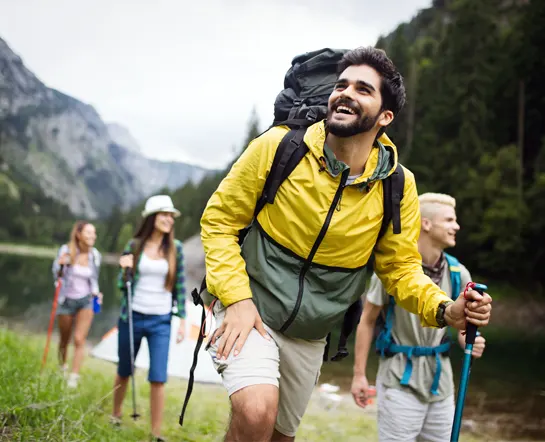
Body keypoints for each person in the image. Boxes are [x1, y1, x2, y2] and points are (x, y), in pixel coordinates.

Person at [199, 46, 493, 442]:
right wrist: (236, 299)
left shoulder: (397, 185)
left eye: (363, 89)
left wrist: (446, 309)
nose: (345, 93)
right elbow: (219, 221)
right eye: (341, 84)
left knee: (279, 436)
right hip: (251, 307)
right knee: (255, 413)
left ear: (385, 117)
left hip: (310, 333)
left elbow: (401, 269)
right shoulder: (279, 146)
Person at [351, 192, 487, 441]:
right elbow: (367, 320)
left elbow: (462, 329)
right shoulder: (394, 271)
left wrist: (468, 340)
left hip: (441, 384)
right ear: (426, 223)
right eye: (448, 220)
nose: (456, 226)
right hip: (399, 378)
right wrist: (359, 374)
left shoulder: (459, 273)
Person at [111, 195, 186, 442]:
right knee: (124, 369)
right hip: (131, 316)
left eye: (170, 215)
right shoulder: (134, 246)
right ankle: (116, 414)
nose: (168, 219)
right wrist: (124, 271)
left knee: (158, 376)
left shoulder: (177, 249)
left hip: (161, 321)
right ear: (152, 217)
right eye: (163, 214)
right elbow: (122, 285)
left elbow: (181, 287)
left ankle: (156, 434)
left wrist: (182, 320)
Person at [52, 220, 102, 389]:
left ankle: (74, 376)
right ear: (79, 235)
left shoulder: (95, 255)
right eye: (88, 233)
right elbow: (56, 275)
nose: (92, 236)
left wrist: (97, 293)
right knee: (64, 339)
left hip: (86, 300)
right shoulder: (66, 251)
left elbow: (94, 278)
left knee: (79, 339)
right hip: (66, 300)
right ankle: (62, 367)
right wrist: (60, 265)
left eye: (94, 233)